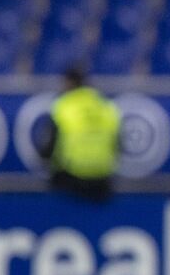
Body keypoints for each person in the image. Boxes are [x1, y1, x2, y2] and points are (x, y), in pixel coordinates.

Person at [37, 67, 121, 202]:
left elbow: (48, 149)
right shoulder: (106, 106)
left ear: (69, 82)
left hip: (73, 177)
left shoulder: (63, 105)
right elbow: (118, 146)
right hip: (102, 178)